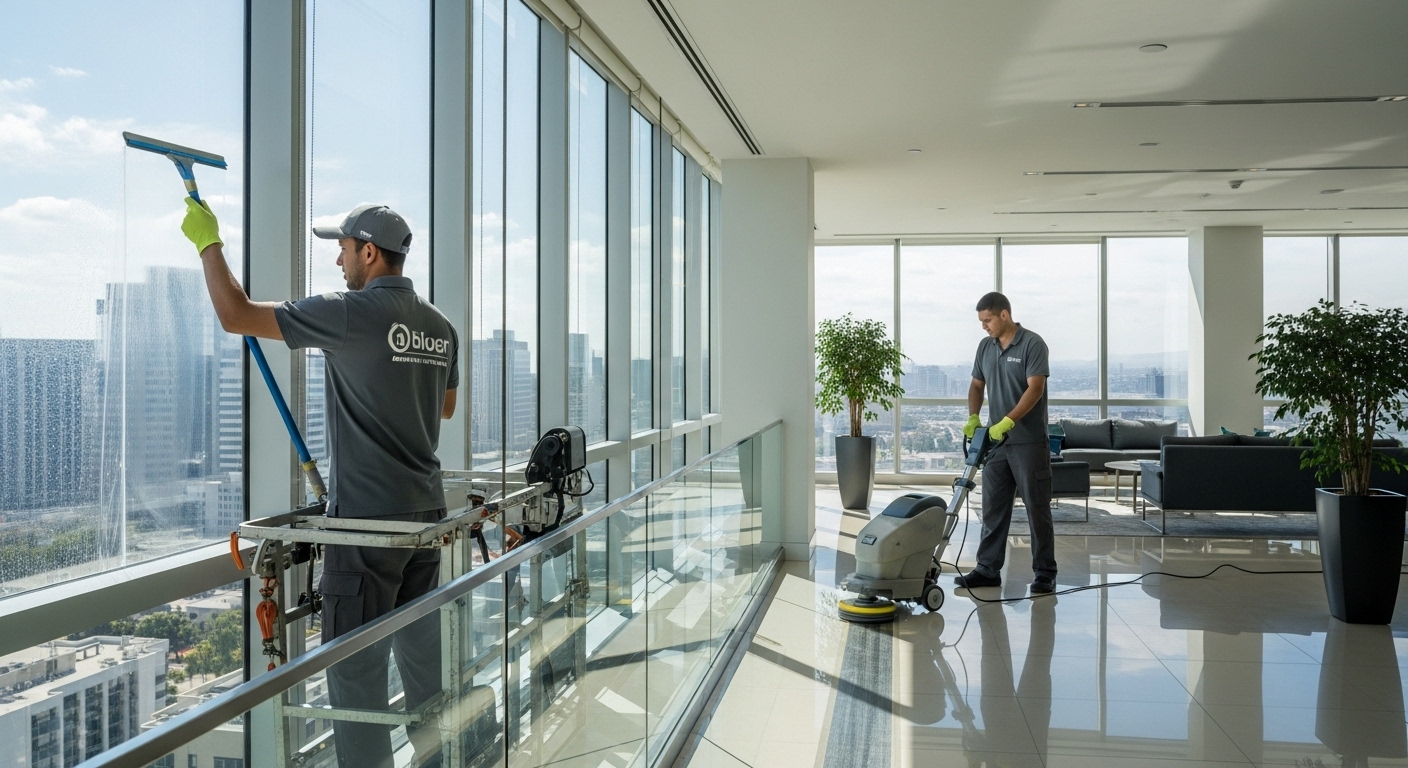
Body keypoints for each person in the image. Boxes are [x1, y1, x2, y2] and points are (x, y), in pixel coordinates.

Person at [180, 199, 458, 768]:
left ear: (370, 252)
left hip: (366, 528)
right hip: (426, 517)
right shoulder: (440, 325)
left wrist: (208, 243)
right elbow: (445, 409)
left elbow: (235, 315)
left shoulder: (351, 311)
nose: (338, 260)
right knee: (424, 666)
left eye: (343, 248)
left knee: (355, 680)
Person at [955, 291, 1057, 594]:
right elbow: (976, 384)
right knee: (993, 507)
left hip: (1028, 442)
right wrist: (974, 418)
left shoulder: (1032, 344)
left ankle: (1044, 573)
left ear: (1003, 315)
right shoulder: (985, 347)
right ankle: (987, 569)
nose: (984, 326)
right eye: (981, 321)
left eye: (987, 320)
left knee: (1036, 508)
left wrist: (1009, 420)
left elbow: (1035, 388)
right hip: (996, 443)